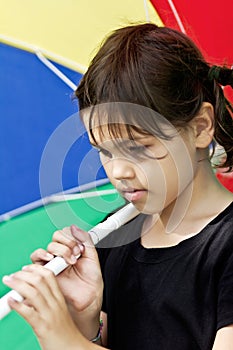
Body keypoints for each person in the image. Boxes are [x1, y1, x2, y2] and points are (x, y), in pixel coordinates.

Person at [3, 23, 233, 350]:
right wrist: (84, 322)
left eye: (138, 147)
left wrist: (66, 341)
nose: (119, 171)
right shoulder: (114, 240)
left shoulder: (223, 253)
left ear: (200, 127)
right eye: (105, 151)